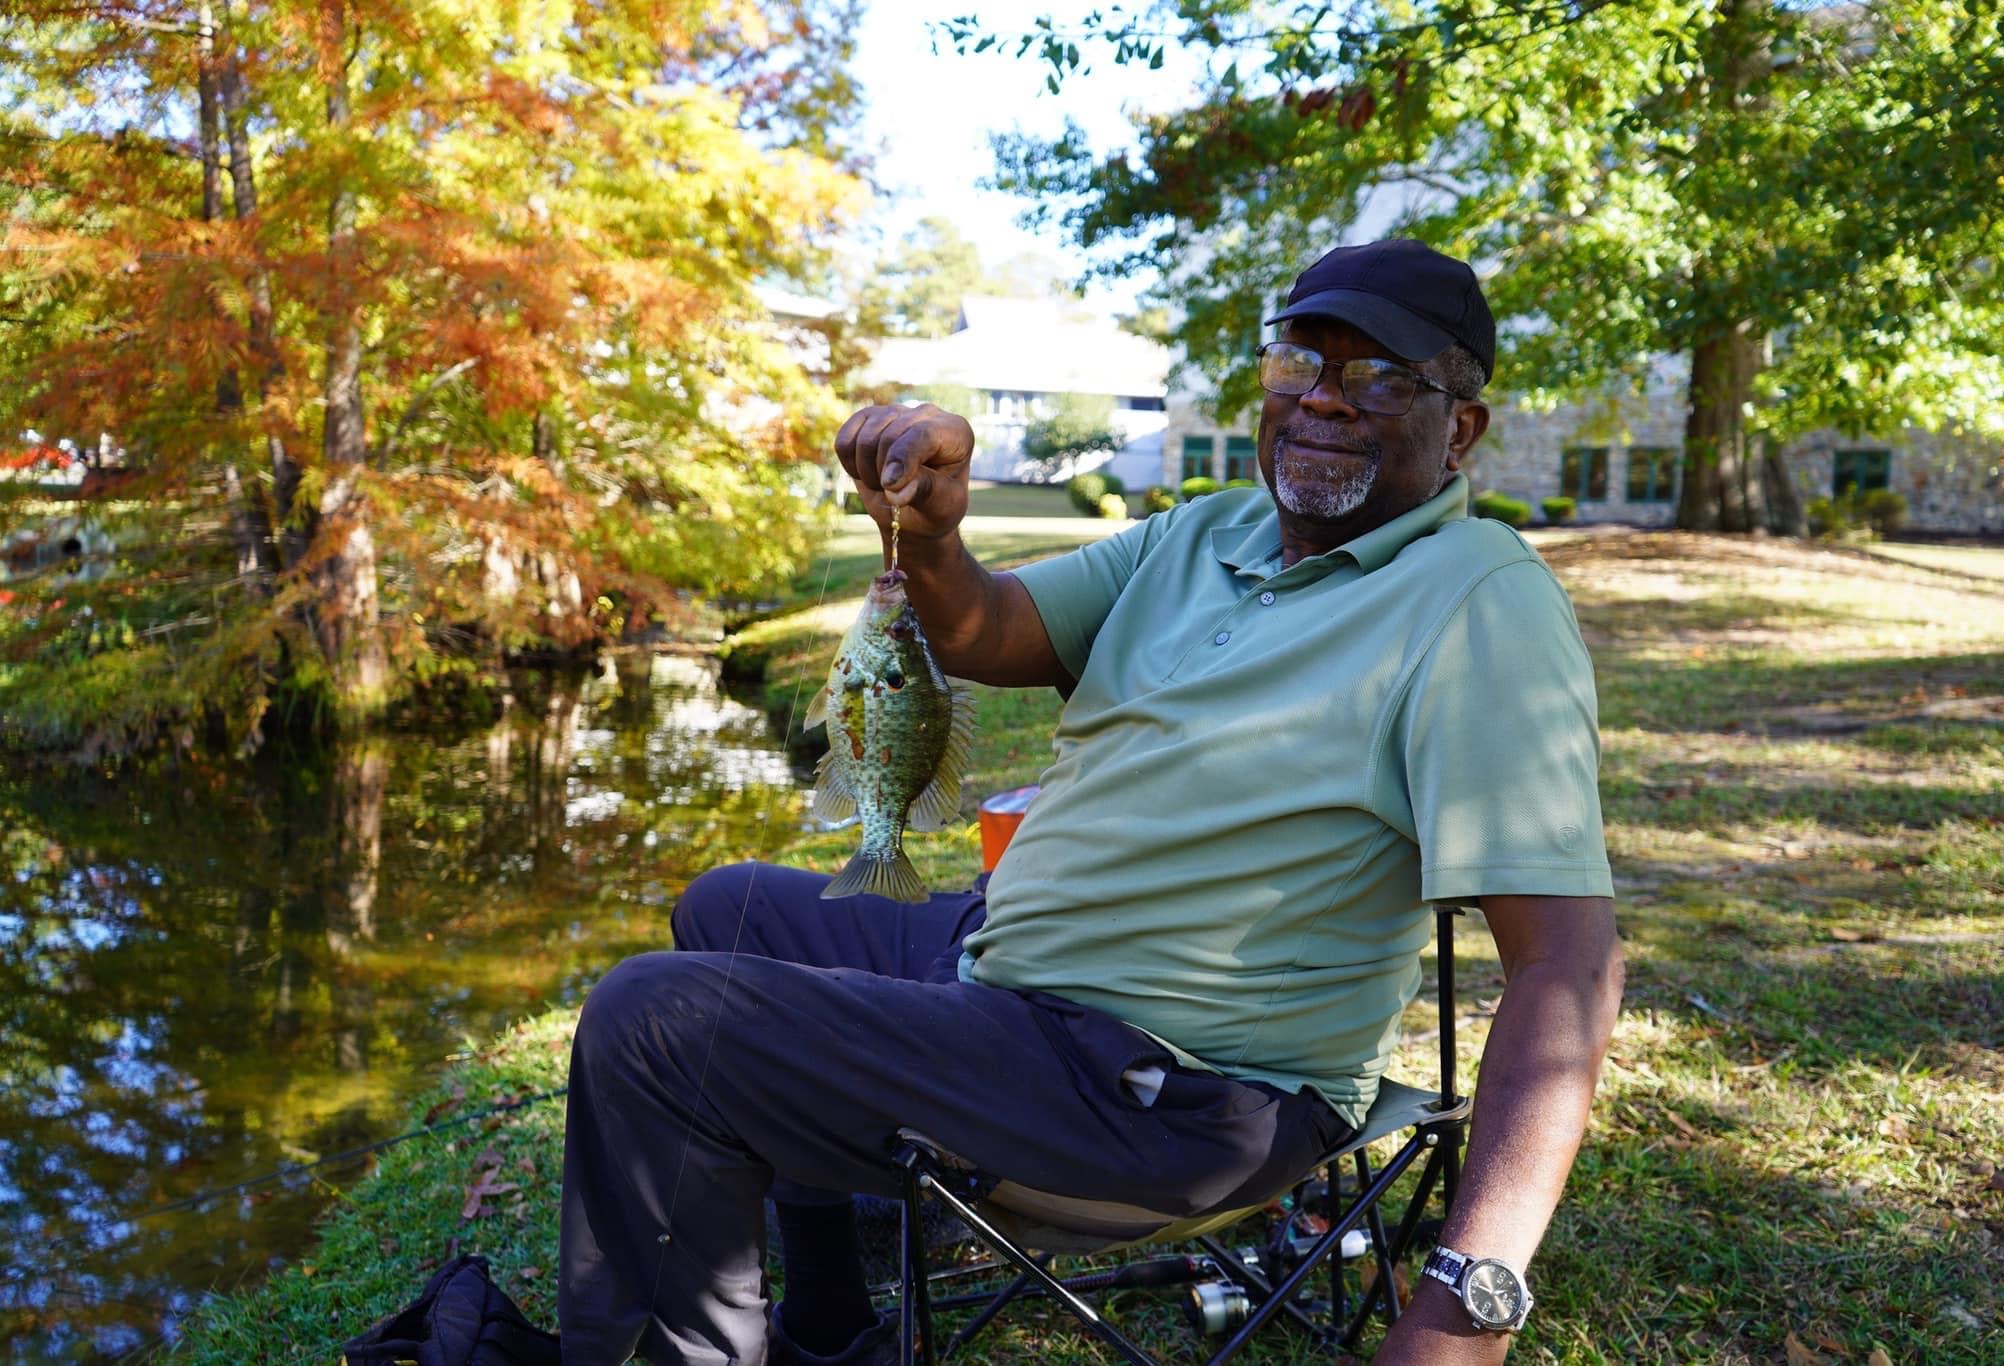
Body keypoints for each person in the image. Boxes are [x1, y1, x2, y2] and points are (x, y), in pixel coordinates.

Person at [557, 239, 1624, 1366]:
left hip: (1168, 1087)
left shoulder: (1480, 604)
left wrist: (1463, 1311)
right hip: (1007, 975)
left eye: (1377, 378)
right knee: (727, 910)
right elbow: (987, 629)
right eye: (1299, 361)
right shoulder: (1208, 531)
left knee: (655, 1021)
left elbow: (1567, 965)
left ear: (1458, 426)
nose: (1320, 400)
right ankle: (825, 1321)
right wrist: (929, 527)